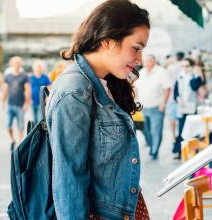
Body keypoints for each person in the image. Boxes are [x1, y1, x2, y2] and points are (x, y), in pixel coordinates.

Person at [47, 0, 150, 219]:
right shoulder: (75, 90)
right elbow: (68, 178)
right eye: (136, 48)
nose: (140, 59)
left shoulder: (106, 82)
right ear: (108, 42)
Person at [136, 54, 171, 160]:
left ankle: (154, 151)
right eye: (145, 61)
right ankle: (152, 146)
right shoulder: (141, 73)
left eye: (149, 61)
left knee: (156, 130)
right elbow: (135, 87)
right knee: (144, 129)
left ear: (154, 61)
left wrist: (163, 103)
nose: (146, 63)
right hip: (142, 107)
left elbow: (167, 88)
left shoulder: (161, 72)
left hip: (157, 107)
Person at [172, 58, 202, 160]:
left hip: (192, 108)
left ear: (191, 67)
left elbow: (195, 87)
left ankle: (194, 151)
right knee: (181, 130)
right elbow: (175, 92)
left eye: (187, 66)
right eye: (183, 66)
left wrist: (191, 76)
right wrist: (178, 99)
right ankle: (179, 152)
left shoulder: (195, 77)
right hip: (181, 107)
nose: (185, 68)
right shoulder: (179, 77)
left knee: (193, 130)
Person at [2, 56, 31, 151]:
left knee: (20, 126)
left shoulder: (24, 76)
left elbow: (27, 90)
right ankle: (12, 140)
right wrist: (3, 102)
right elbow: (5, 90)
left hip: (20, 105)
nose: (17, 64)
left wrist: (26, 104)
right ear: (11, 64)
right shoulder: (8, 76)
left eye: (18, 62)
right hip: (10, 104)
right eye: (15, 62)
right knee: (8, 125)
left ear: (20, 64)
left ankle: (19, 145)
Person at [166, 51, 184, 142]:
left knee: (172, 117)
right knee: (181, 117)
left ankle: (174, 136)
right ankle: (180, 135)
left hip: (171, 97)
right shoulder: (182, 66)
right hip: (181, 95)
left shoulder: (170, 68)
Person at [30, 59, 51, 124]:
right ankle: (35, 133)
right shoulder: (31, 77)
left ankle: (39, 133)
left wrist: (47, 99)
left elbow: (49, 88)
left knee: (40, 119)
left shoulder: (45, 77)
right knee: (34, 119)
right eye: (36, 67)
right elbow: (27, 89)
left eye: (39, 67)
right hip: (32, 101)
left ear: (42, 68)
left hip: (41, 101)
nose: (38, 69)